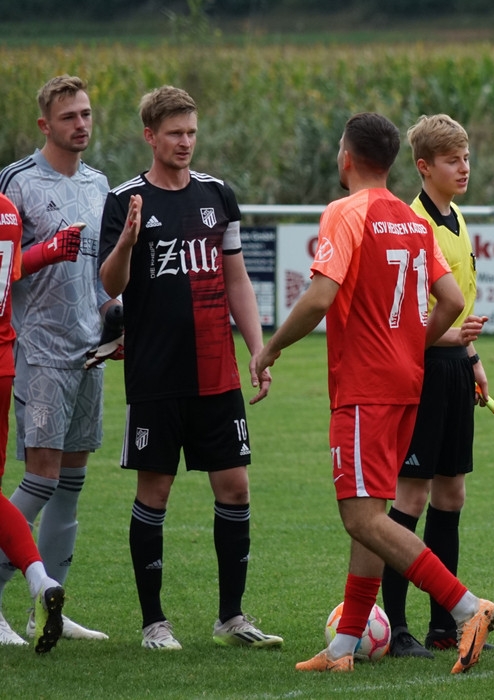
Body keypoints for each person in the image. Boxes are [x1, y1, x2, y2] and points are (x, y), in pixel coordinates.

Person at [250, 112, 494, 675]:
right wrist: (412, 344)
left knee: (361, 517)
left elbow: (320, 297)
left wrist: (271, 348)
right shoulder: (412, 221)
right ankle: (343, 648)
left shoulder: (346, 212)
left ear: (346, 158)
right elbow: (451, 300)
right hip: (406, 383)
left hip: (364, 386)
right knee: (373, 514)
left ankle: (467, 607)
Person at [98, 85, 282, 652]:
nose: (185, 142)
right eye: (174, 133)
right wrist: (128, 241)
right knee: (155, 491)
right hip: (155, 374)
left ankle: (232, 617)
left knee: (235, 486)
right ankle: (154, 623)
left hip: (216, 370)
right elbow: (110, 285)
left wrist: (257, 348)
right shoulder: (124, 201)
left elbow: (236, 278)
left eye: (191, 132)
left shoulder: (217, 195)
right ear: (150, 136)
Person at [0, 74, 114, 644]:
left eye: (86, 114)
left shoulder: (100, 184)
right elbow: (4, 268)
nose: (81, 125)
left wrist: (115, 319)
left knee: (71, 482)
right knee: (40, 479)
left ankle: (48, 608)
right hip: (38, 349)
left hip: (90, 352)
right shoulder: (17, 181)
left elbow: (103, 272)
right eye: (69, 117)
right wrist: (44, 252)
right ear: (45, 124)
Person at [381, 114, 489, 658]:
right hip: (421, 371)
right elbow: (406, 320)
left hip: (453, 370)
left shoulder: (457, 218)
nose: (463, 168)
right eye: (452, 160)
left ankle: (445, 624)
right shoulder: (411, 223)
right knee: (411, 496)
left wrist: (471, 358)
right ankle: (397, 626)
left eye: (466, 158)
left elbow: (458, 310)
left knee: (451, 493)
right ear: (424, 167)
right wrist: (452, 340)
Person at [0, 191, 66, 654]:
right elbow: (15, 270)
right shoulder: (6, 209)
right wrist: (50, 250)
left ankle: (38, 577)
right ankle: (40, 577)